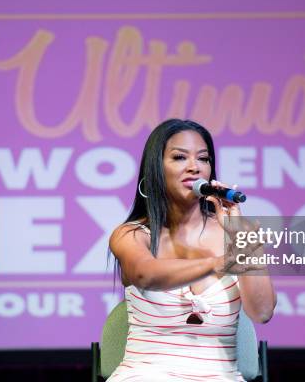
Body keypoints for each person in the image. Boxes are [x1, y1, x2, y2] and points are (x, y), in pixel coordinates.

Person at [107, 119, 276, 381]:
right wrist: (217, 262)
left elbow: (262, 311)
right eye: (179, 157)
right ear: (154, 170)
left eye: (203, 159)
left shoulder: (236, 237)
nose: (194, 167)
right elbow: (145, 275)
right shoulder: (132, 234)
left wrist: (240, 234)